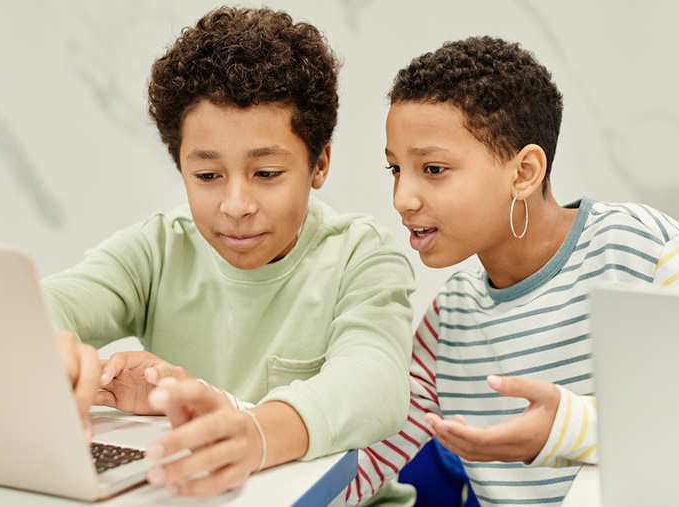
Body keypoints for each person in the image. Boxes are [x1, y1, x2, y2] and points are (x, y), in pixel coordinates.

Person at [349, 36, 679, 506]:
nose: (402, 199)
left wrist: (567, 427)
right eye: (395, 168)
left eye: (433, 169)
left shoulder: (649, 252)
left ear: (524, 172)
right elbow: (362, 472)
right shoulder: (446, 322)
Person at [45, 6, 417, 498]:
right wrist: (44, 343)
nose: (235, 206)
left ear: (319, 162)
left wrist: (256, 434)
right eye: (206, 176)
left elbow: (375, 384)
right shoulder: (159, 248)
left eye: (266, 174)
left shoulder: (361, 257)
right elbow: (52, 302)